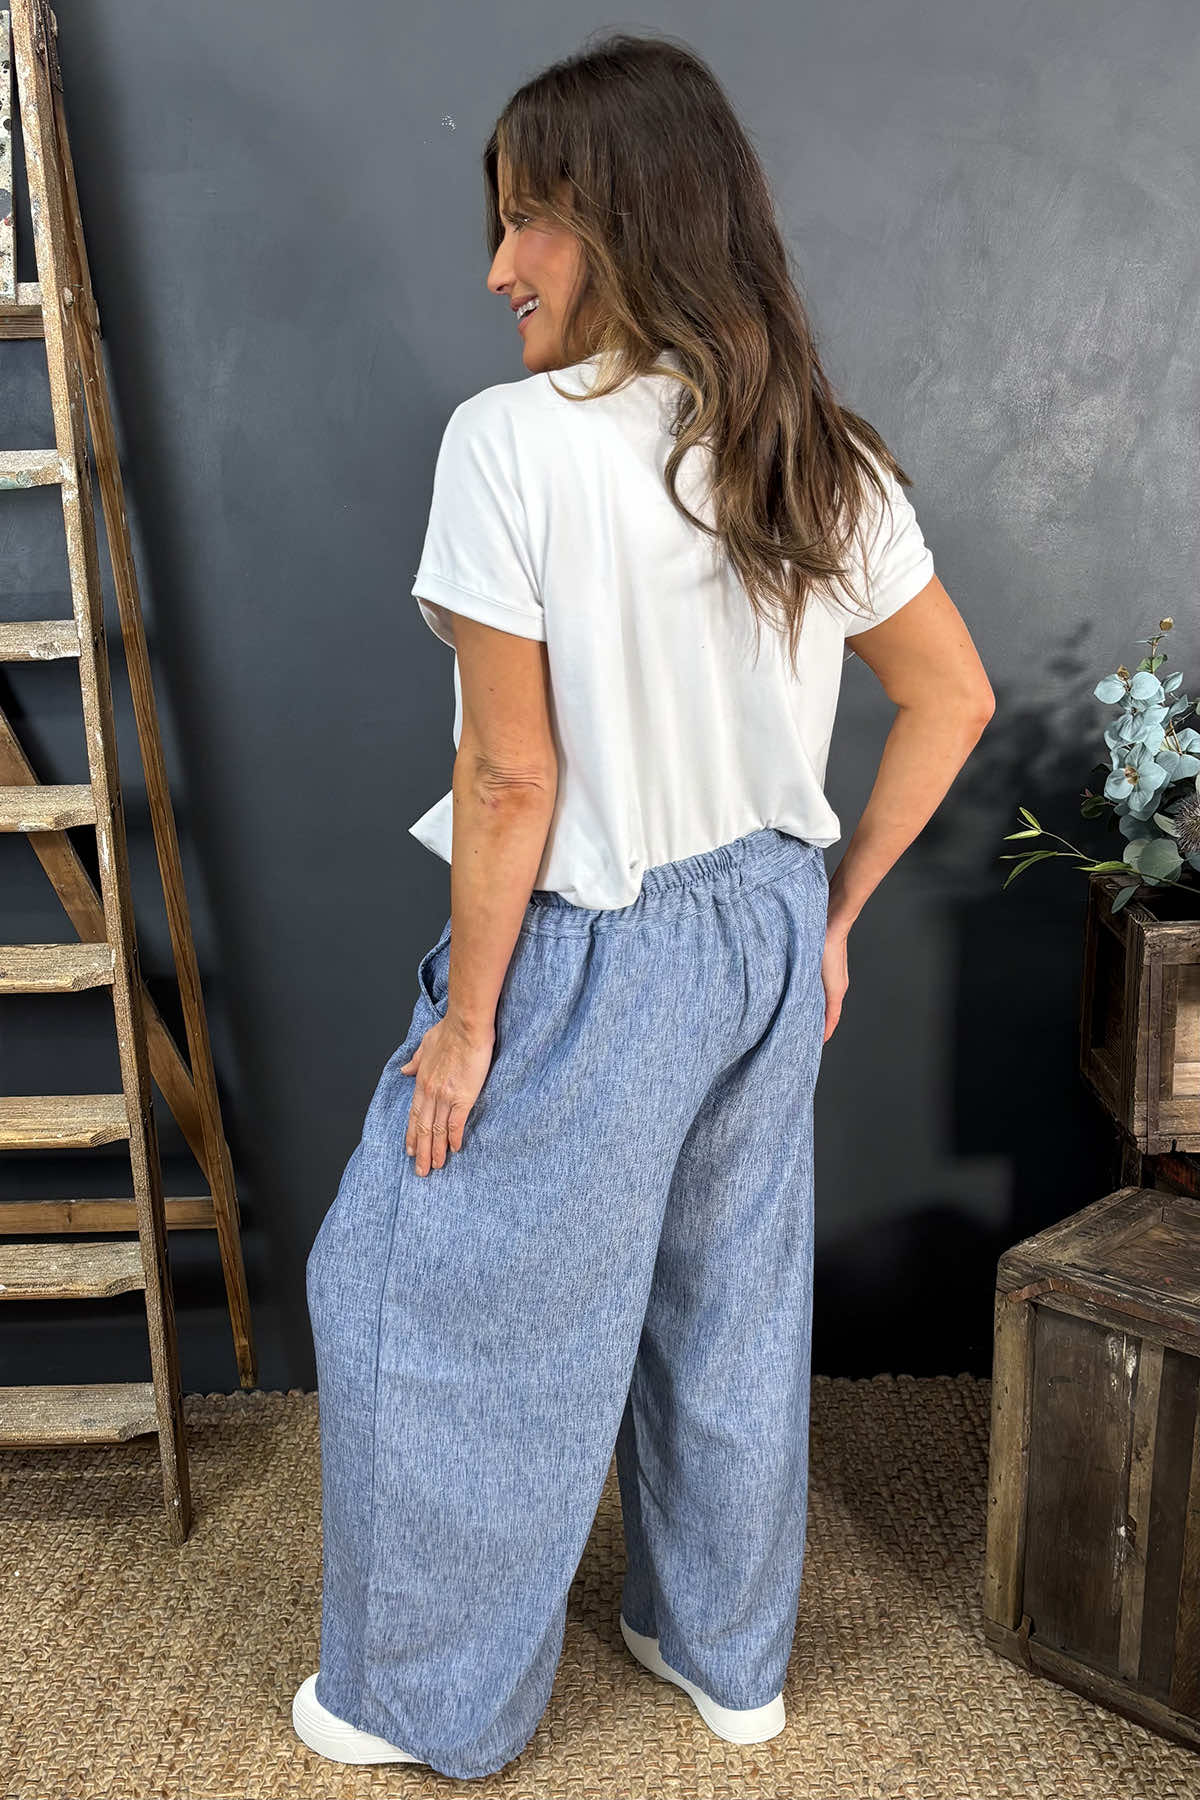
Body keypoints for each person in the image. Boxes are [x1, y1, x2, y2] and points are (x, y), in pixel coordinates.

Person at [294, 30, 994, 1784]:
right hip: (761, 930)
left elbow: (511, 779)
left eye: (529, 220)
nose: (498, 267)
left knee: (425, 1301)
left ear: (629, 217)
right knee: (723, 1304)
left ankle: (415, 1699)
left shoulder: (511, 444)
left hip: (595, 947)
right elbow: (953, 694)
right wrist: (828, 914)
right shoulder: (813, 449)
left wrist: (469, 1023)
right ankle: (724, 1654)